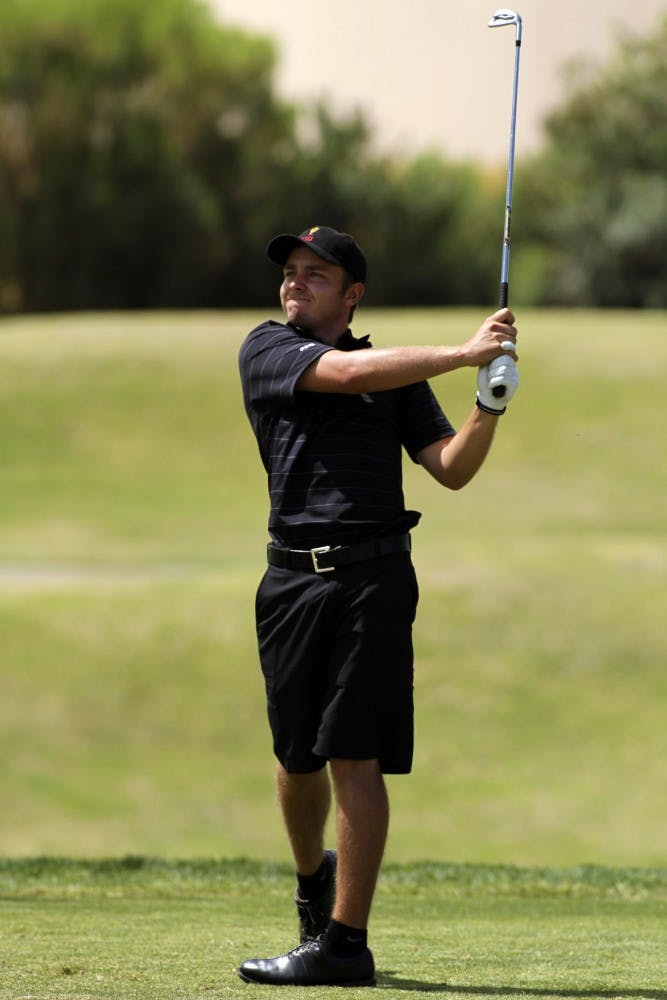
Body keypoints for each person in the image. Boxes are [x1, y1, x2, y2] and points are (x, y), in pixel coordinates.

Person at [236, 225, 519, 987]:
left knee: (352, 755)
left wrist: (486, 401)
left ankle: (343, 945)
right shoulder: (266, 349)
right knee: (296, 762)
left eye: (315, 275)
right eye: (291, 272)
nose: (296, 283)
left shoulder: (396, 378)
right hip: (291, 581)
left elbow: (449, 469)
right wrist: (462, 351)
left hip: (374, 578)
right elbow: (345, 372)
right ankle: (311, 877)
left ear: (351, 293)